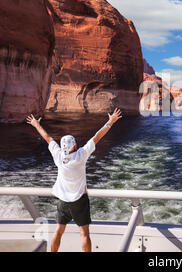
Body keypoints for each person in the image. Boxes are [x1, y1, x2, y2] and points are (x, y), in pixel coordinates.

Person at [26, 108, 122, 252]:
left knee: (58, 232)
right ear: (74, 146)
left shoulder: (58, 156)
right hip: (79, 201)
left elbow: (47, 138)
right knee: (84, 234)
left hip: (63, 201)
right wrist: (110, 121)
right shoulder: (80, 155)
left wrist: (36, 124)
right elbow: (97, 137)